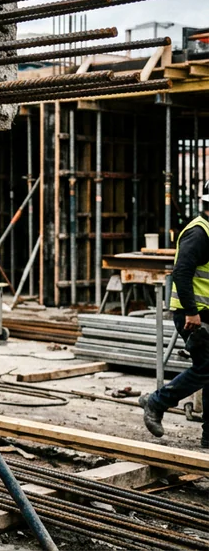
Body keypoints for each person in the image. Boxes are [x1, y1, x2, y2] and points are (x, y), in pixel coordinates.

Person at [140, 182, 209, 448]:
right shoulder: (198, 233)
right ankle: (156, 402)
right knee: (205, 368)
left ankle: (208, 436)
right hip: (194, 316)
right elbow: (181, 272)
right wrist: (191, 312)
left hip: (204, 314)